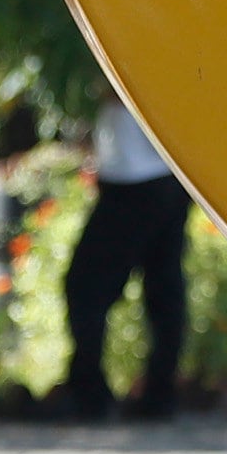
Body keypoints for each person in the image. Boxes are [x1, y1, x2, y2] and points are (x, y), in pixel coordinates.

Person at [57, 91, 191, 420]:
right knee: (163, 290)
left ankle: (89, 392)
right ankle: (158, 395)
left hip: (136, 181)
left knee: (86, 286)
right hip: (158, 177)